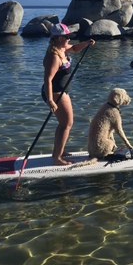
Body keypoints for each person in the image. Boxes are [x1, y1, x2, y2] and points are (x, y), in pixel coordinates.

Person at [42, 23, 95, 165]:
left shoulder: (62, 48)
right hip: (55, 93)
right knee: (67, 124)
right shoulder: (53, 56)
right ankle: (57, 159)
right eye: (67, 37)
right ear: (58, 38)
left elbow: (75, 49)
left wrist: (86, 43)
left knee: (63, 124)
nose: (69, 39)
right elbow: (48, 79)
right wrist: (50, 100)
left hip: (62, 91)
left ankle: (57, 151)